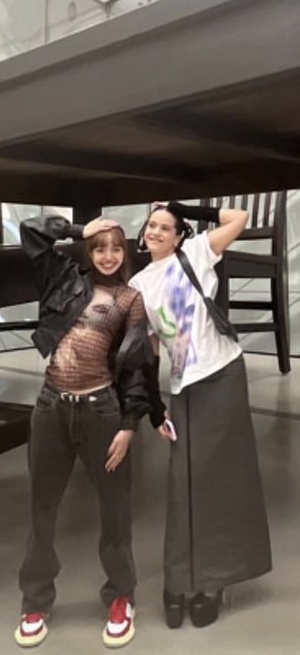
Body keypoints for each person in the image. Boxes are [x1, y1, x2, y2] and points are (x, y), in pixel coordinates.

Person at [14, 214, 168, 649]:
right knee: (42, 509)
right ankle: (35, 600)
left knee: (115, 510)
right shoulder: (63, 278)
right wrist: (76, 229)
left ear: (125, 252)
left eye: (116, 248)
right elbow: (31, 232)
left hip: (102, 412)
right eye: (99, 247)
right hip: (51, 408)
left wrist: (129, 426)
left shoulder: (130, 299)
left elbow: (137, 368)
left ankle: (121, 596)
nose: (108, 255)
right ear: (88, 251)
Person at [129, 200, 272, 629]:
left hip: (222, 373)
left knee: (220, 480)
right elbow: (150, 349)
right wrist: (154, 408)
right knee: (182, 483)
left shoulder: (196, 252)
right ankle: (177, 582)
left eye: (165, 226)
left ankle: (212, 582)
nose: (155, 231)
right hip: (183, 387)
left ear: (179, 236)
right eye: (151, 225)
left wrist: (183, 207)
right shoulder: (138, 283)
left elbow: (239, 219)